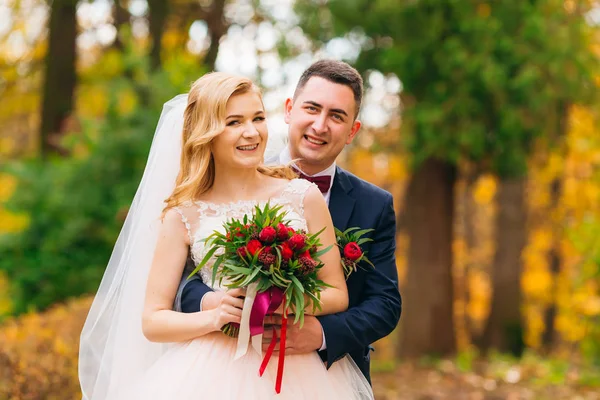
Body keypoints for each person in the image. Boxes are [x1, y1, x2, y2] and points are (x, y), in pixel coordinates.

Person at [79, 71, 374, 399]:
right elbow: (153, 320)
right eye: (234, 122)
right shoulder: (183, 215)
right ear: (206, 133)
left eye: (258, 118)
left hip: (296, 369)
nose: (252, 132)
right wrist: (216, 317)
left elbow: (336, 293)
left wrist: (281, 304)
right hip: (211, 372)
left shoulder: (302, 195)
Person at [176, 60, 402, 384]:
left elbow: (385, 303)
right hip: (226, 366)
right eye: (312, 108)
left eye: (336, 116)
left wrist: (322, 333)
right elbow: (185, 276)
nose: (320, 125)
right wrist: (212, 301)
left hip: (327, 374)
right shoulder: (231, 175)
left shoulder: (374, 205)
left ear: (353, 130)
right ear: (289, 110)